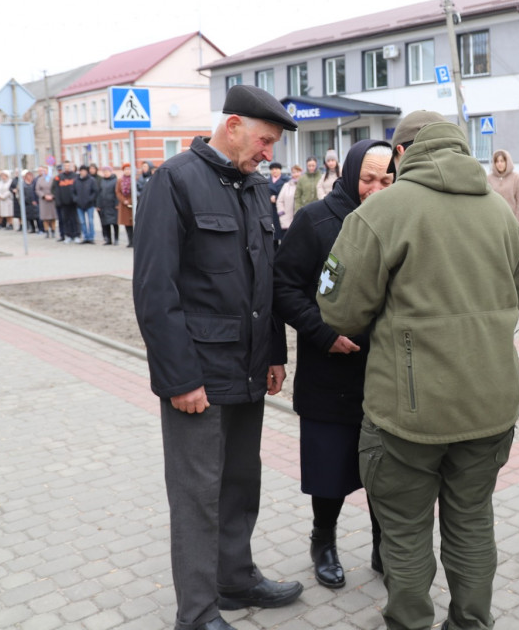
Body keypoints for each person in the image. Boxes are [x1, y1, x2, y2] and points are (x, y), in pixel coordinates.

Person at [319, 111, 519, 630]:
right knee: (473, 521)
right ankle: (472, 623)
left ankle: (410, 623)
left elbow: (337, 311)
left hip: (407, 412)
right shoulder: (500, 211)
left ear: (402, 154)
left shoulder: (383, 211)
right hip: (491, 404)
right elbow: (514, 296)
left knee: (406, 531)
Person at [132, 85, 302, 630]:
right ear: (233, 126)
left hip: (249, 367)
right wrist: (179, 379)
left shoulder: (254, 188)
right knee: (197, 495)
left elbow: (266, 281)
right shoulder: (176, 180)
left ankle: (235, 579)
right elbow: (155, 291)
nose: (268, 152)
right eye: (264, 140)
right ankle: (198, 613)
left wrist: (275, 351)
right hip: (199, 375)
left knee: (239, 481)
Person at [273, 140, 395, 589]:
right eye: (368, 179)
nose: (377, 189)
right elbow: (284, 287)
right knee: (329, 469)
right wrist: (324, 335)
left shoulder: (402, 219)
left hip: (384, 374)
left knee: (387, 467)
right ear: (348, 174)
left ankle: (386, 544)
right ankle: (323, 540)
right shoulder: (316, 219)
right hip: (329, 371)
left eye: (387, 179)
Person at [487, 148, 519, 227]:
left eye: (502, 161)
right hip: (494, 220)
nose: (499, 164)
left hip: (511, 220)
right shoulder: (488, 179)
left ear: (507, 162)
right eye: (497, 161)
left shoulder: (516, 178)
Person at [72, 165, 99, 244]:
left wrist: (90, 199)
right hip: (79, 205)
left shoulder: (91, 180)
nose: (83, 172)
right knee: (82, 222)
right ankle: (85, 237)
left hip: (89, 205)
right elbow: (73, 192)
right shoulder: (76, 180)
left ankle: (91, 237)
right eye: (81, 171)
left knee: (90, 221)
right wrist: (76, 199)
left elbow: (95, 191)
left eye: (84, 171)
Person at [54, 162, 79, 243]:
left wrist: (77, 199)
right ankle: (68, 235)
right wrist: (58, 201)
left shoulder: (75, 176)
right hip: (64, 203)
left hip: (74, 203)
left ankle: (76, 235)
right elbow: (56, 190)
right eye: (65, 166)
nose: (67, 167)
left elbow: (78, 189)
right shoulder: (59, 177)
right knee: (65, 220)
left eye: (68, 166)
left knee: (75, 219)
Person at [266, 162, 289, 246]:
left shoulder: (286, 180)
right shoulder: (267, 181)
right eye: (272, 169)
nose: (274, 171)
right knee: (273, 232)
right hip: (271, 208)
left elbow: (288, 193)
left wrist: (277, 198)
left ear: (280, 170)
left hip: (283, 208)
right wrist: (269, 197)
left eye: (276, 169)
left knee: (283, 231)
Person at [97, 165, 119, 245]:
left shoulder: (115, 180)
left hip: (112, 205)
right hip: (104, 205)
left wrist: (117, 203)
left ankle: (116, 239)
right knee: (106, 223)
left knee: (114, 223)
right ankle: (108, 239)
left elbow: (117, 193)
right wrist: (98, 204)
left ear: (110, 172)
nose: (105, 173)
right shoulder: (102, 181)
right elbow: (99, 193)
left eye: (107, 171)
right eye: (104, 172)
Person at [115, 163, 135, 248]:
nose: (127, 171)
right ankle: (130, 241)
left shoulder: (134, 179)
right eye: (126, 169)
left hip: (133, 204)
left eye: (129, 169)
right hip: (124, 205)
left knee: (134, 223)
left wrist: (130, 201)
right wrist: (124, 200)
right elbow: (118, 192)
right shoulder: (120, 180)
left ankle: (135, 241)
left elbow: (135, 191)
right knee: (127, 224)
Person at [35, 167, 57, 238]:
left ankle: (53, 231)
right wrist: (44, 196)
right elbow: (37, 189)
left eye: (45, 170)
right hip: (44, 200)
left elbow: (56, 188)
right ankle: (46, 231)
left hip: (52, 200)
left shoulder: (52, 179)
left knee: (53, 216)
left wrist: (52, 196)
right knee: (45, 217)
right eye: (43, 171)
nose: (44, 172)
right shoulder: (40, 180)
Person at [276, 165, 300, 231]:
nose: (296, 174)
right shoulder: (286, 185)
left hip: (301, 219)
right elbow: (280, 201)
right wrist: (281, 213)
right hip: (287, 219)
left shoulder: (304, 185)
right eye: (293, 172)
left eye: (297, 172)